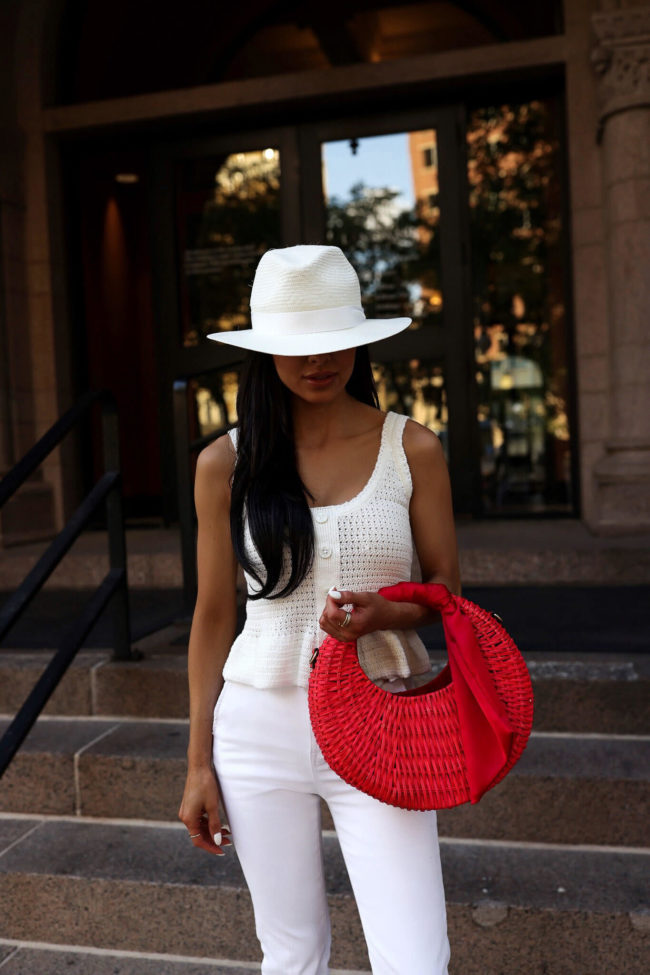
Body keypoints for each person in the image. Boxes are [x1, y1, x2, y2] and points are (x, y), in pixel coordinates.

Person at [179, 244, 460, 974]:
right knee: (293, 955)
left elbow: (446, 591)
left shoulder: (414, 448)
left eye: (335, 339)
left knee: (415, 960)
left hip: (382, 714)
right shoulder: (225, 465)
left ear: (361, 340)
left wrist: (387, 616)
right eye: (297, 346)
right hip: (256, 726)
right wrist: (197, 762)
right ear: (264, 350)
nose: (318, 360)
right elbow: (213, 617)